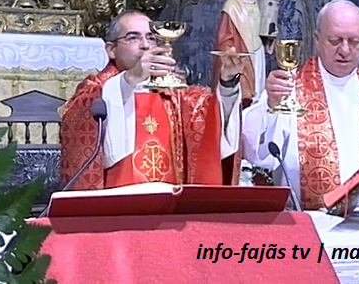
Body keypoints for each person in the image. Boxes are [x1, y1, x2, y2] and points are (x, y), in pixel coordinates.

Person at [241, 0, 359, 210]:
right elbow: (258, 153)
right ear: (317, 39)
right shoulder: (290, 89)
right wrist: (271, 105)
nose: (345, 50)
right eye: (335, 40)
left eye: (354, 41)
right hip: (310, 219)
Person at [60, 11, 244, 190]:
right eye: (133, 38)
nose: (145, 45)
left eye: (151, 37)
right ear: (111, 50)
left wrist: (228, 83)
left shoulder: (175, 92)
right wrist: (131, 78)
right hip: (118, 204)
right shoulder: (97, 89)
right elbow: (79, 122)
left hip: (170, 203)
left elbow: (211, 121)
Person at [212, 0, 274, 184]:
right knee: (242, 99)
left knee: (257, 96)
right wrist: (232, 51)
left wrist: (269, 39)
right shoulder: (232, 6)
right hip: (241, 58)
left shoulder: (259, 5)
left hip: (257, 55)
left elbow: (263, 32)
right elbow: (224, 37)